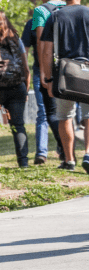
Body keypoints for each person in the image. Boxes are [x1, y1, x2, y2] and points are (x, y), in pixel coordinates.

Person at [40, 0, 89, 174]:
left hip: (64, 74)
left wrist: (48, 78)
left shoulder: (55, 17)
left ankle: (69, 159)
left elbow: (46, 50)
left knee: (65, 117)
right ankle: (88, 154)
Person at [31, 0, 66, 162]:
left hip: (49, 65)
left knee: (49, 111)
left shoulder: (40, 10)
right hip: (69, 65)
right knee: (67, 111)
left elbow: (40, 41)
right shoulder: (68, 5)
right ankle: (67, 149)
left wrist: (44, 71)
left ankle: (63, 147)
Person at [0, 12, 31, 168]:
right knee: (18, 125)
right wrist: (26, 87)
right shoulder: (16, 39)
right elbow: (25, 67)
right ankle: (23, 163)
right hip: (17, 87)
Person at [22, 8, 48, 165]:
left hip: (53, 71)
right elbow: (24, 50)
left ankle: (52, 151)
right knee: (46, 112)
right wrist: (27, 73)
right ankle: (42, 153)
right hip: (40, 71)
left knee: (46, 113)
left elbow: (24, 51)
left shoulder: (57, 19)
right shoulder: (31, 24)